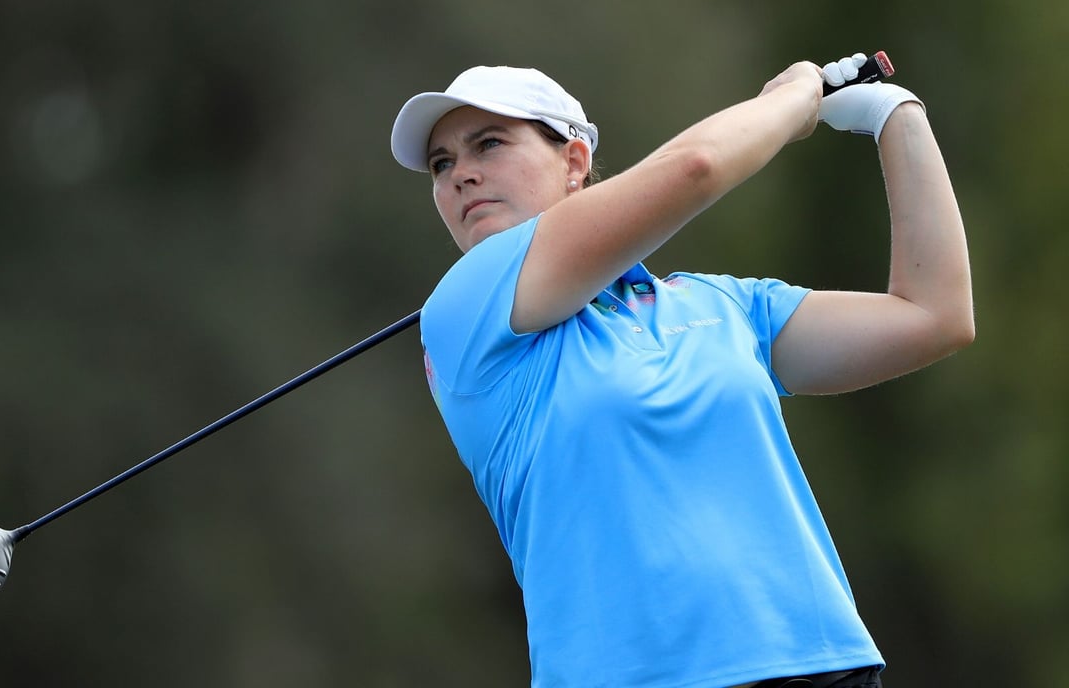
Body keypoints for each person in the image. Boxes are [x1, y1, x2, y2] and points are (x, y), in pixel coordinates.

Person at [388, 54, 973, 688]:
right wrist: (791, 99)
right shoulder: (462, 309)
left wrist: (896, 116)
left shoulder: (720, 304)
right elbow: (696, 167)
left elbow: (933, 316)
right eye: (442, 164)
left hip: (821, 665)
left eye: (489, 144)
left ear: (574, 161)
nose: (461, 176)